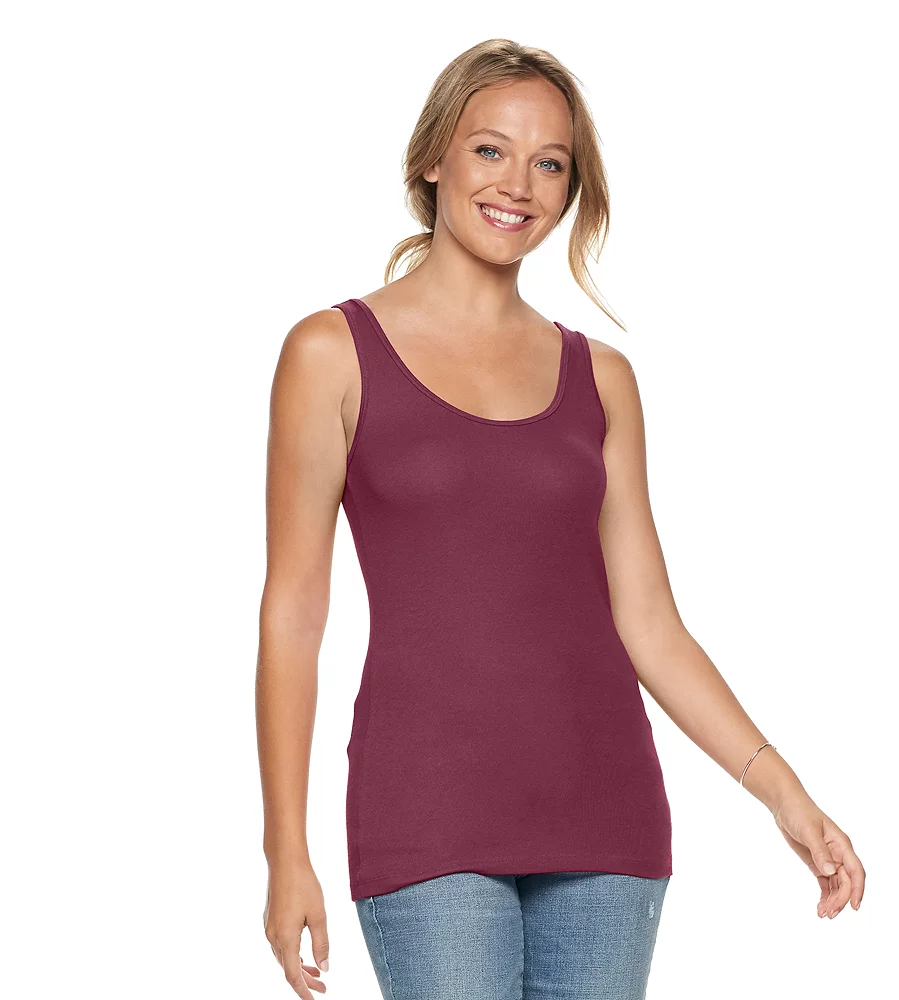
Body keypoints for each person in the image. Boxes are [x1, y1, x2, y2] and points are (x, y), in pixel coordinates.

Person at [256, 38, 866, 1000]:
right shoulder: (331, 353)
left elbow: (650, 623)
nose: (518, 185)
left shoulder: (602, 378)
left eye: (550, 163)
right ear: (435, 158)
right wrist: (284, 849)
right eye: (490, 150)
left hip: (607, 822)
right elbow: (293, 616)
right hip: (426, 818)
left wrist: (785, 794)